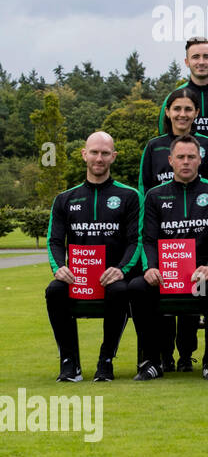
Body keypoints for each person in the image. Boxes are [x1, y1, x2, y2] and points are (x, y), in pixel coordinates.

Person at [128, 135, 208, 381]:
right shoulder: (154, 195)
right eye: (181, 157)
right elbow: (148, 239)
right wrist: (150, 268)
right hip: (167, 277)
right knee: (137, 287)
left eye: (191, 157)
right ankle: (151, 361)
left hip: (199, 278)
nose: (186, 162)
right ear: (171, 160)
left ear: (200, 160)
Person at [46, 132, 140, 382]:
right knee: (54, 290)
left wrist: (121, 268)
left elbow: (136, 240)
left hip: (112, 278)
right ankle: (69, 363)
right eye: (95, 152)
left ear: (114, 157)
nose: (99, 158)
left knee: (120, 290)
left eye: (105, 153)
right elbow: (54, 241)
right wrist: (59, 267)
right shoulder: (65, 199)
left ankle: (106, 359)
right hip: (78, 279)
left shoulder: (129, 196)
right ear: (84, 154)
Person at [155, 36, 208, 149]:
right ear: (187, 62)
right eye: (195, 57)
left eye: (206, 57)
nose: (201, 62)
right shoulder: (174, 97)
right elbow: (164, 137)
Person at [141, 89, 208, 193]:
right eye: (177, 109)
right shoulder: (153, 146)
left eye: (188, 109)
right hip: (163, 208)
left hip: (200, 207)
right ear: (167, 112)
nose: (183, 114)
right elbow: (144, 186)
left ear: (196, 112)